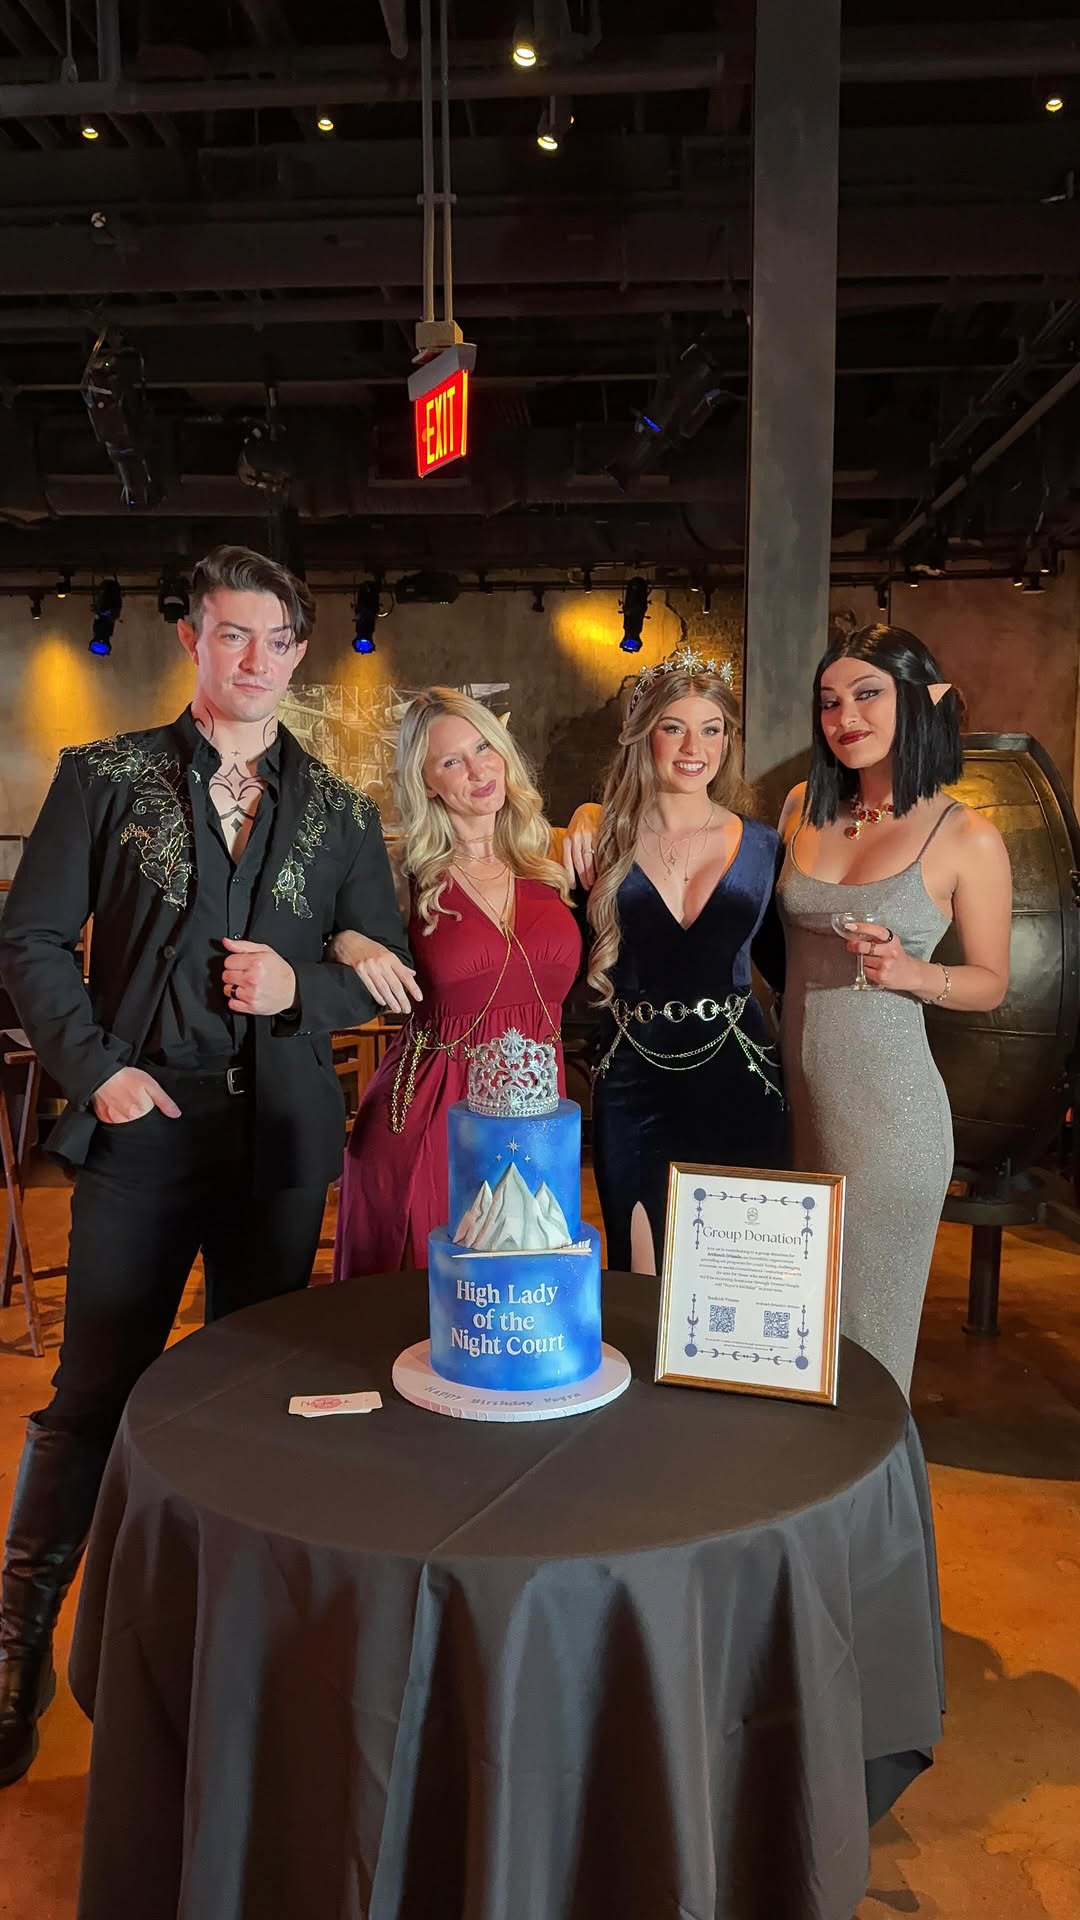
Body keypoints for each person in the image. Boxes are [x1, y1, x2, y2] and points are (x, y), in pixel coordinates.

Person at [0, 543, 411, 1787]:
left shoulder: (341, 810)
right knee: (91, 1395)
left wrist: (305, 987)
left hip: (277, 1142)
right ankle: (17, 1647)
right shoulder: (105, 777)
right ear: (192, 639)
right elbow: (29, 940)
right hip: (141, 1128)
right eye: (232, 634)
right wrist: (93, 1069)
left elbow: (383, 968)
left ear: (299, 653)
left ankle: (244, 1651)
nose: (255, 660)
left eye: (276, 641)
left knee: (259, 1397)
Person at [776, 622, 1011, 1397]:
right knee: (796, 1347)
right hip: (798, 1114)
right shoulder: (800, 806)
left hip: (890, 1122)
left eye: (868, 694)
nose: (845, 716)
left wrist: (914, 972)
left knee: (866, 1360)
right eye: (829, 700)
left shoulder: (967, 836)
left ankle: (879, 1482)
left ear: (918, 700)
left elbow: (991, 982)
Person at [331, 689, 580, 1278]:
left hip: (536, 1107)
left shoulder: (552, 854)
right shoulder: (404, 872)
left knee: (522, 1297)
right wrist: (346, 941)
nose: (477, 770)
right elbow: (317, 929)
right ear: (426, 783)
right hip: (435, 1108)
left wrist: (592, 811)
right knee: (428, 1293)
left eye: (484, 747)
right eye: (451, 761)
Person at [565, 645, 786, 1275]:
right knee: (642, 1271)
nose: (695, 748)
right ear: (643, 735)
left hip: (740, 1071)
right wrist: (586, 813)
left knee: (733, 1270)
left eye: (712, 730)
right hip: (633, 1076)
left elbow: (790, 971)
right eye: (674, 728)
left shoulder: (765, 845)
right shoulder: (598, 842)